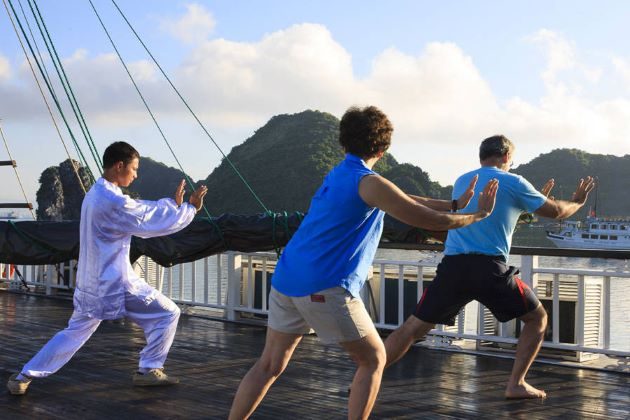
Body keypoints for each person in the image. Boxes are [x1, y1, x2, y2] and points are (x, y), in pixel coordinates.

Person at [229, 106, 498, 420]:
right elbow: (424, 217)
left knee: (269, 365)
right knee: (373, 359)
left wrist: (454, 203)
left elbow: (403, 197)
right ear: (383, 150)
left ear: (344, 143)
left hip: (287, 279)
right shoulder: (368, 183)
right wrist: (478, 215)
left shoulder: (341, 173)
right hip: (324, 286)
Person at [384, 134, 595, 399]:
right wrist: (577, 201)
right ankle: (516, 384)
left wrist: (528, 203)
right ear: (507, 157)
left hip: (454, 267)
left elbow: (493, 219)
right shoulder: (513, 181)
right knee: (537, 318)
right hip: (489, 269)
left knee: (413, 328)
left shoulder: (464, 180)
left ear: (481, 157)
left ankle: (368, 374)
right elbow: (556, 211)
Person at [7, 141, 208, 395]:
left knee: (74, 333)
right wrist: (188, 208)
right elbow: (147, 219)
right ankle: (149, 369)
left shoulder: (96, 193)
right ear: (119, 165)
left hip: (91, 281)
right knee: (168, 313)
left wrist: (173, 206)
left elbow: (142, 210)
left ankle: (24, 375)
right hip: (115, 282)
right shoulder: (112, 201)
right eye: (134, 169)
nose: (135, 175)